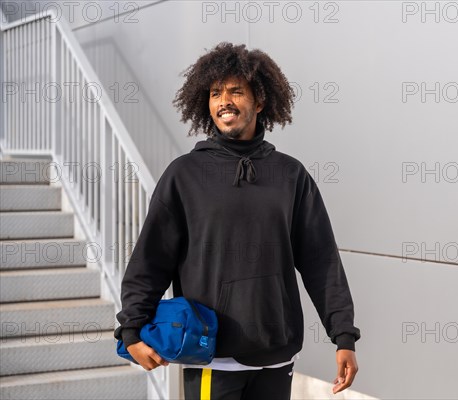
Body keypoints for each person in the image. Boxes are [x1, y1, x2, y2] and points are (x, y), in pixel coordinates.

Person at [114, 42, 361, 400]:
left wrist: (343, 336)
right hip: (211, 356)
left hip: (277, 355)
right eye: (215, 93)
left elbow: (321, 261)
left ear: (259, 101)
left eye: (235, 91)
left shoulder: (290, 175)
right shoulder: (185, 175)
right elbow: (151, 260)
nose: (223, 101)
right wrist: (131, 331)